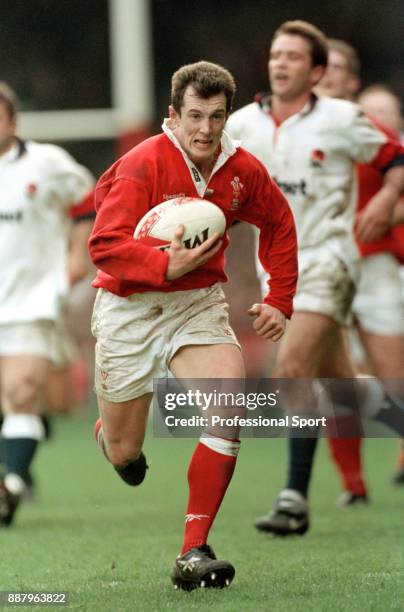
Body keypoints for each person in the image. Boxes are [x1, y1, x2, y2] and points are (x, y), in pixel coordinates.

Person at [88, 60, 298, 590]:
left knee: (230, 402)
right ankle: (114, 440)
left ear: (228, 116)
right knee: (125, 451)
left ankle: (193, 551)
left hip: (196, 304)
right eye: (196, 116)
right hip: (130, 309)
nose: (206, 129)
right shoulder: (142, 164)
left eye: (217, 116)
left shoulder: (242, 170)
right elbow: (104, 245)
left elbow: (278, 221)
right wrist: (161, 264)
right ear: (173, 115)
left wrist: (281, 298)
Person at [226, 20, 404, 536]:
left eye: (294, 57)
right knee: (344, 389)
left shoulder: (344, 119)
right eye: (276, 54)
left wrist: (388, 201)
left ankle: (293, 498)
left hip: (331, 262)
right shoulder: (242, 125)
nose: (280, 63)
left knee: (293, 365)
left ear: (317, 70)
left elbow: (397, 162)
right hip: (276, 270)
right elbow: (214, 183)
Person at [0, 82, 94, 525]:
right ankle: (27, 441)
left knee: (19, 393)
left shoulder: (47, 163)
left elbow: (88, 201)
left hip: (30, 302)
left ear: (13, 122)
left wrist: (77, 253)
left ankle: (12, 486)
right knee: (40, 403)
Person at [317, 43, 404, 502]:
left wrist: (388, 207)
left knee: (393, 380)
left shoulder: (370, 129)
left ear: (352, 81)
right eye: (320, 67)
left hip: (374, 266)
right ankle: (353, 484)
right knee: (332, 385)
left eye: (335, 69)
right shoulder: (293, 130)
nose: (325, 75)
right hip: (321, 273)